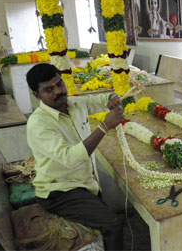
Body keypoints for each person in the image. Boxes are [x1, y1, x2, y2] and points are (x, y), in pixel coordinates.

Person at [26, 63, 125, 250]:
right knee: (113, 224)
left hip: (83, 183)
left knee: (107, 213)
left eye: (59, 84)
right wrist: (104, 126)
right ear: (36, 95)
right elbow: (70, 158)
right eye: (49, 89)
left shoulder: (73, 104)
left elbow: (101, 99)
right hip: (59, 191)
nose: (58, 91)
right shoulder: (38, 124)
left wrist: (112, 98)